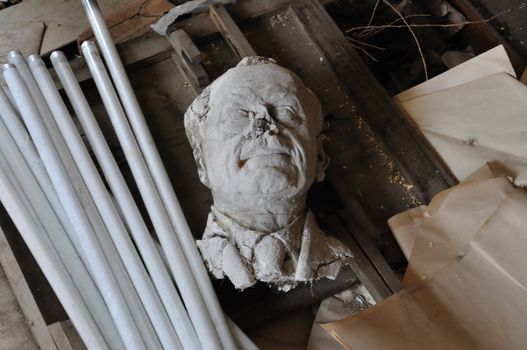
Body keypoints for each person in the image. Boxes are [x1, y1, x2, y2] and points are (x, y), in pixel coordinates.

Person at [185, 56, 351, 291]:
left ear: (320, 158)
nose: (266, 128)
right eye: (238, 115)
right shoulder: (184, 270)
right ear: (202, 164)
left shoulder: (334, 256)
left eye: (286, 112)